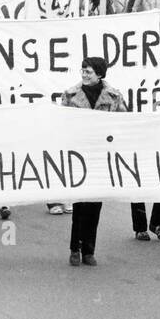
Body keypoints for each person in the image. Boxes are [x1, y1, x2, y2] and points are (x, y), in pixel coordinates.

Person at [59, 56, 128, 266]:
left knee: (94, 206)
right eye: (83, 70)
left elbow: (124, 122)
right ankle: (75, 248)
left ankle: (89, 249)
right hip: (79, 156)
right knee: (79, 205)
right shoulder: (70, 95)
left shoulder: (114, 96)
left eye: (88, 71)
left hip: (101, 157)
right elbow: (61, 124)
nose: (84, 74)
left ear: (99, 74)